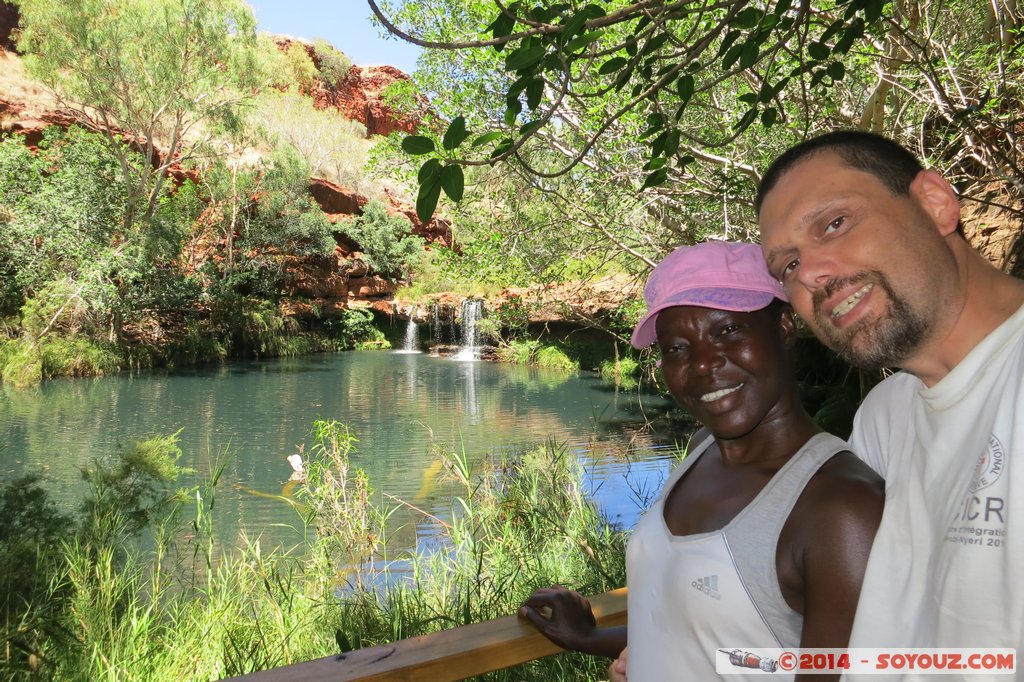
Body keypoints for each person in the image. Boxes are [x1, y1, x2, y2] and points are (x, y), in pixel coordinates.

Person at [519, 241, 884, 680]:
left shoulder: (841, 509)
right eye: (676, 348)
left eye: (728, 331)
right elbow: (709, 634)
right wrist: (590, 638)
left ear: (785, 328)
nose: (703, 364)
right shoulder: (701, 450)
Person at [755, 130, 1024, 663]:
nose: (811, 275)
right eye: (788, 266)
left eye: (835, 223)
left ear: (935, 203)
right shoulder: (884, 415)